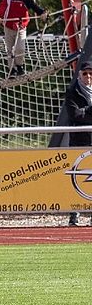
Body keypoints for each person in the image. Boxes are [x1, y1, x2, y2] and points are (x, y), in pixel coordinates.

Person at [0, 0, 47, 77]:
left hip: (21, 27)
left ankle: (19, 66)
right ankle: (12, 70)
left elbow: (35, 7)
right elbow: (2, 8)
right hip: (8, 27)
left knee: (20, 48)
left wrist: (42, 13)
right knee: (9, 49)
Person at [65, 62, 92, 226]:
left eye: (91, 74)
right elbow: (75, 115)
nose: (88, 77)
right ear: (79, 75)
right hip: (79, 141)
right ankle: (74, 214)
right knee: (77, 176)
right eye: (85, 74)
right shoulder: (72, 92)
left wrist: (86, 112)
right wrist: (90, 111)